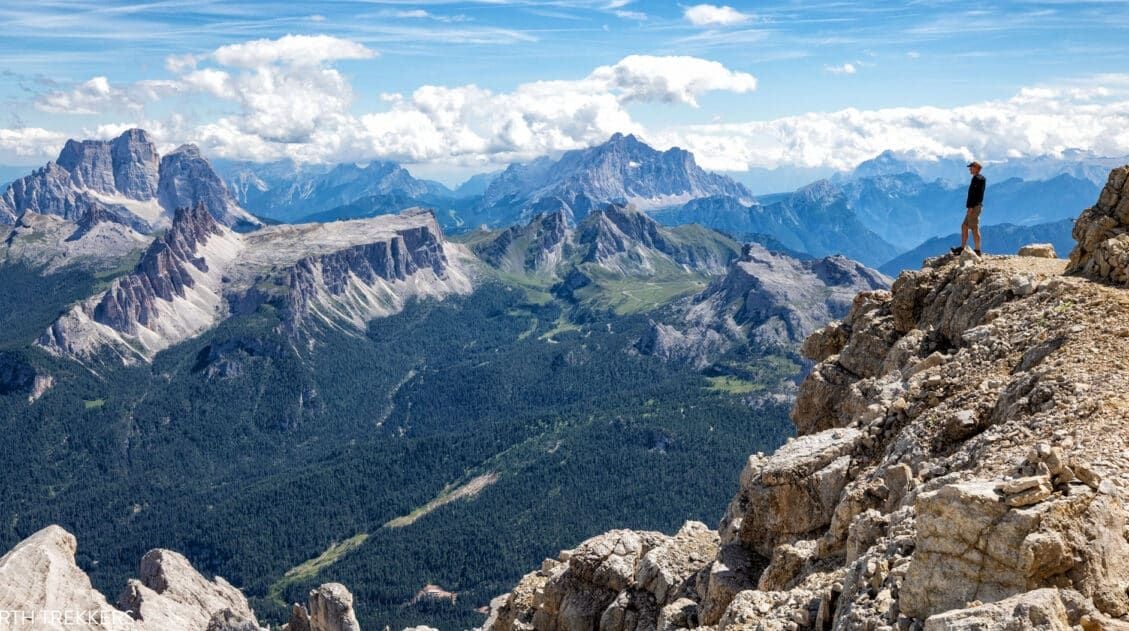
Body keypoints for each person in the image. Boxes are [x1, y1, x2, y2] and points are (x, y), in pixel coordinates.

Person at [952, 161, 986, 256]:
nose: (970, 169)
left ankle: (977, 250)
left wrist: (971, 207)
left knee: (974, 228)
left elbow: (976, 195)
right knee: (964, 226)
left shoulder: (978, 179)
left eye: (971, 167)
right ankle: (962, 248)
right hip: (974, 206)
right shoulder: (977, 178)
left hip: (974, 207)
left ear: (976, 168)